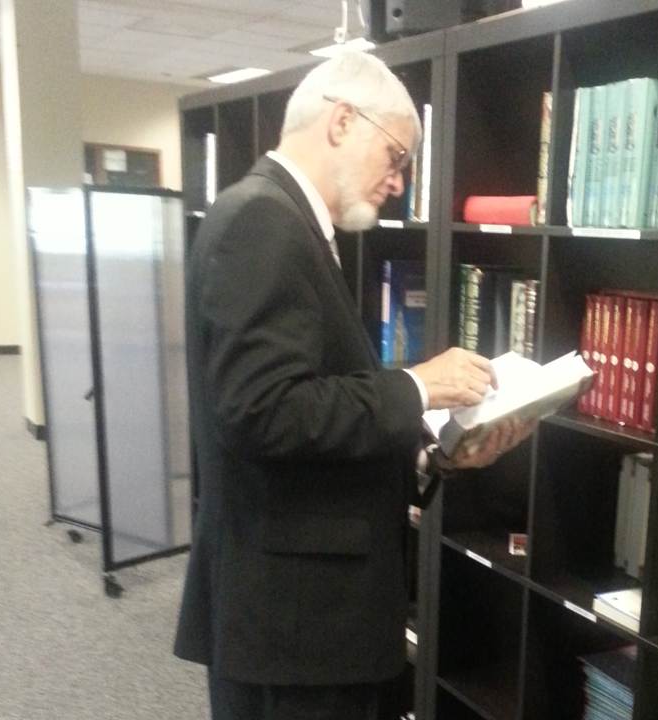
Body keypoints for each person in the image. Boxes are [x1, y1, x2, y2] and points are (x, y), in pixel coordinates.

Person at [173, 51, 534, 719]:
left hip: (310, 618)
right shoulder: (263, 222)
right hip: (294, 625)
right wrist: (418, 388)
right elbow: (262, 411)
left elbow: (314, 418)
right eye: (395, 155)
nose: (398, 181)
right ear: (341, 121)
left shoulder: (293, 224)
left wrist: (437, 455)